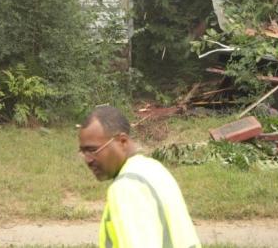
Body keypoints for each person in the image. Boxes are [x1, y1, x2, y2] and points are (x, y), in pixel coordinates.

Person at [77, 104, 201, 248]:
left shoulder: (127, 187)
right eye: (83, 152)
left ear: (122, 141)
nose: (88, 160)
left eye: (92, 150)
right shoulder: (153, 169)